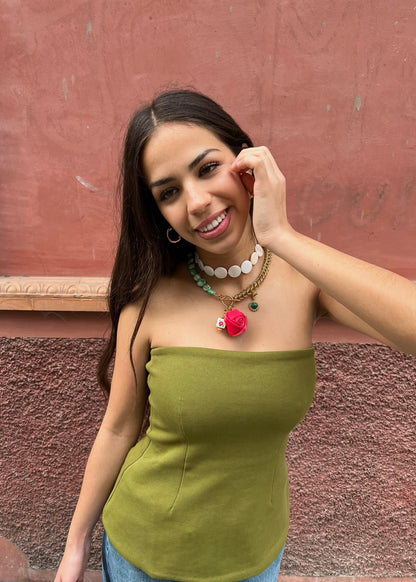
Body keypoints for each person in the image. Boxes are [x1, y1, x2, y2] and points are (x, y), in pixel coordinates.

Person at [54, 89, 416, 582]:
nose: (197, 202)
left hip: (253, 558)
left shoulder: (305, 283)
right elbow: (118, 428)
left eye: (207, 168)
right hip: (143, 553)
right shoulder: (149, 300)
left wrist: (282, 235)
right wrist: (75, 544)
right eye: (169, 193)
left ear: (247, 164)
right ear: (159, 213)